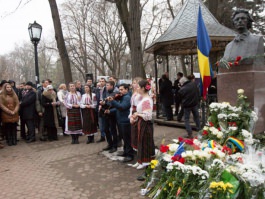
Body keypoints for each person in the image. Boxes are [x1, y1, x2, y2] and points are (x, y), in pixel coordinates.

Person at [131, 80, 155, 170]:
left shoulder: (147, 100)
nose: (136, 89)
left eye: (138, 87)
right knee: (140, 141)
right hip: (141, 123)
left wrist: (137, 114)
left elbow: (148, 116)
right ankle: (141, 161)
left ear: (142, 88)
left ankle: (146, 163)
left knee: (145, 143)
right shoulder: (143, 99)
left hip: (145, 124)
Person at [109, 83, 134, 162]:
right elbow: (117, 108)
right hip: (121, 121)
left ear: (126, 90)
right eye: (119, 89)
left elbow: (122, 107)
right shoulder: (122, 97)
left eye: (122, 89)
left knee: (127, 139)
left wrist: (113, 101)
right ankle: (126, 152)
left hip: (125, 121)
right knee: (124, 138)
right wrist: (109, 111)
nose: (120, 91)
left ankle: (130, 155)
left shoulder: (127, 97)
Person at [102, 81, 119, 153]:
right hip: (106, 113)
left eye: (108, 85)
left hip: (112, 114)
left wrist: (110, 111)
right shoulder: (106, 92)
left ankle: (115, 146)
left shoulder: (116, 94)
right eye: (106, 85)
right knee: (105, 129)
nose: (106, 86)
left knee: (113, 130)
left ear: (112, 86)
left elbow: (117, 105)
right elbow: (105, 102)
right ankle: (110, 144)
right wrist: (103, 103)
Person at [128, 77, 143, 152]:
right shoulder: (134, 93)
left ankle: (140, 152)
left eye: (134, 83)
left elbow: (139, 107)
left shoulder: (140, 95)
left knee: (138, 134)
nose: (132, 84)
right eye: (133, 83)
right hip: (133, 113)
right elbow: (131, 106)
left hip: (138, 114)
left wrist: (135, 117)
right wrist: (130, 115)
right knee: (134, 134)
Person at [95, 78, 107, 143]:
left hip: (105, 106)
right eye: (100, 81)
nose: (101, 82)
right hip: (99, 106)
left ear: (105, 82)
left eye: (102, 81)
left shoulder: (106, 89)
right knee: (100, 122)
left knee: (106, 122)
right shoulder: (97, 89)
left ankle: (108, 135)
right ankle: (102, 136)